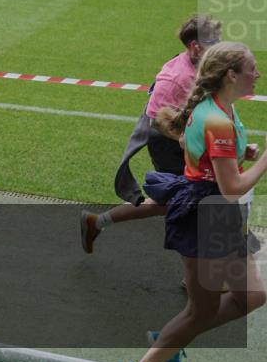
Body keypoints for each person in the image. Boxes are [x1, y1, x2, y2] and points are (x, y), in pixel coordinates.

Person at [127, 41, 266, 362]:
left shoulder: (219, 105)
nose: (258, 73)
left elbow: (192, 145)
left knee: (253, 297)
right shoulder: (217, 118)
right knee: (200, 311)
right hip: (208, 214)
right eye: (252, 69)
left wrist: (235, 154)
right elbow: (231, 188)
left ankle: (171, 340)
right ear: (231, 75)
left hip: (220, 213)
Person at [80, 15, 222, 253]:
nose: (220, 44)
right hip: (168, 144)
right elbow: (157, 120)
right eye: (214, 40)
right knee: (194, 199)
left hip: (184, 140)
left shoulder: (200, 64)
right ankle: (196, 270)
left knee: (175, 201)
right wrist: (190, 143)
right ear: (195, 46)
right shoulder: (177, 78)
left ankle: (96, 222)